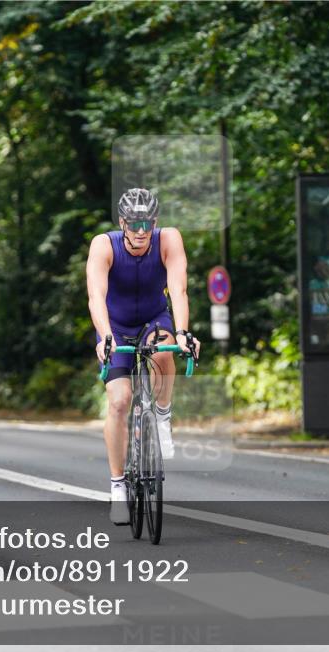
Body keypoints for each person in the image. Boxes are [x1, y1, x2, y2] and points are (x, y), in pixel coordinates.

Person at [86, 188, 200, 525]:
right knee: (119, 401)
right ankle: (118, 485)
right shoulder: (104, 245)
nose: (140, 231)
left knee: (165, 349)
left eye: (146, 224)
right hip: (115, 325)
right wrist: (105, 336)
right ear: (122, 222)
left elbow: (178, 289)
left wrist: (182, 333)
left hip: (154, 318)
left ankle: (162, 416)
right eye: (133, 224)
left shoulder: (168, 240)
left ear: (155, 222)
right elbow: (96, 295)